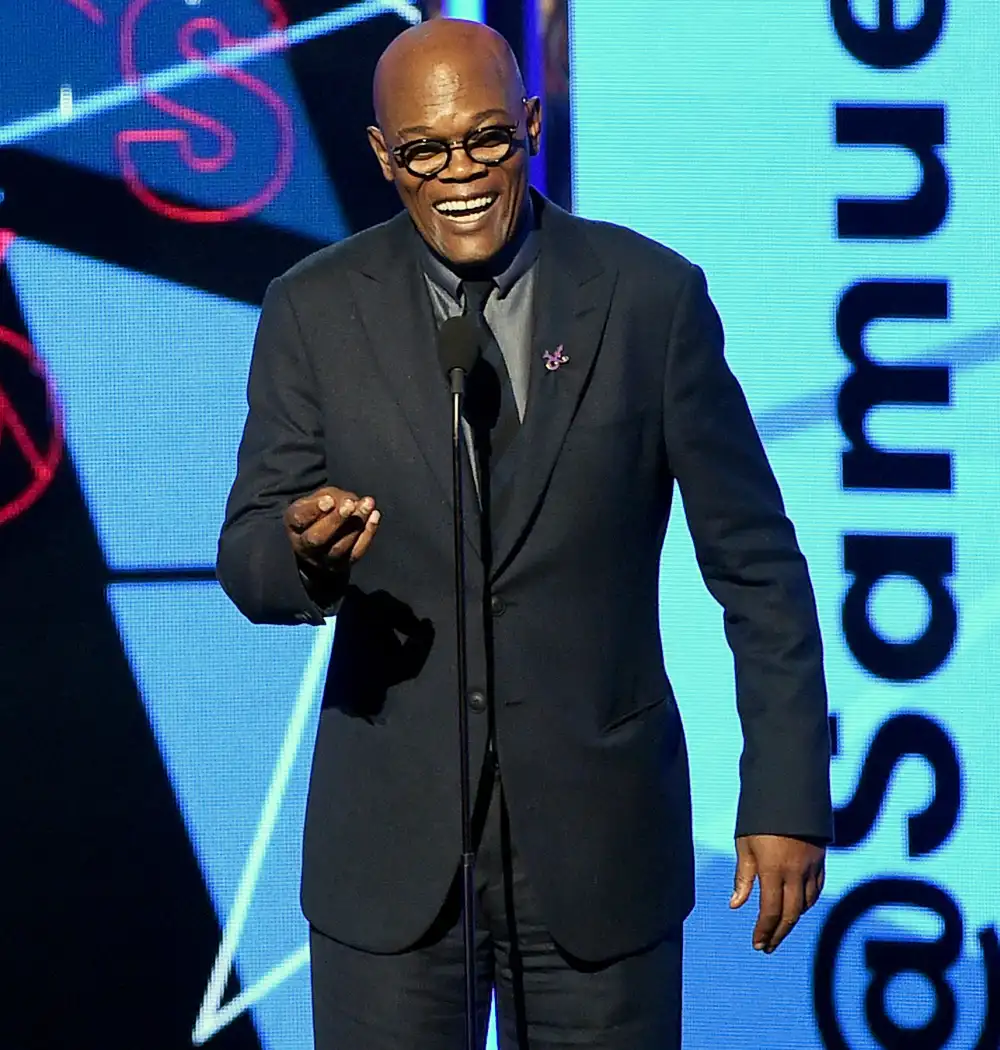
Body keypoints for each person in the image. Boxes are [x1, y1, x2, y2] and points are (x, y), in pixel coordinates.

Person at [217, 16, 832, 1050]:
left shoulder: (649, 301)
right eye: (424, 149)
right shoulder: (313, 311)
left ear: (532, 127)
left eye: (486, 139)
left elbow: (757, 566)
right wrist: (304, 554)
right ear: (383, 157)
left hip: (601, 852)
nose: (459, 171)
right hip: (393, 868)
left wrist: (785, 795)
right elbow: (247, 557)